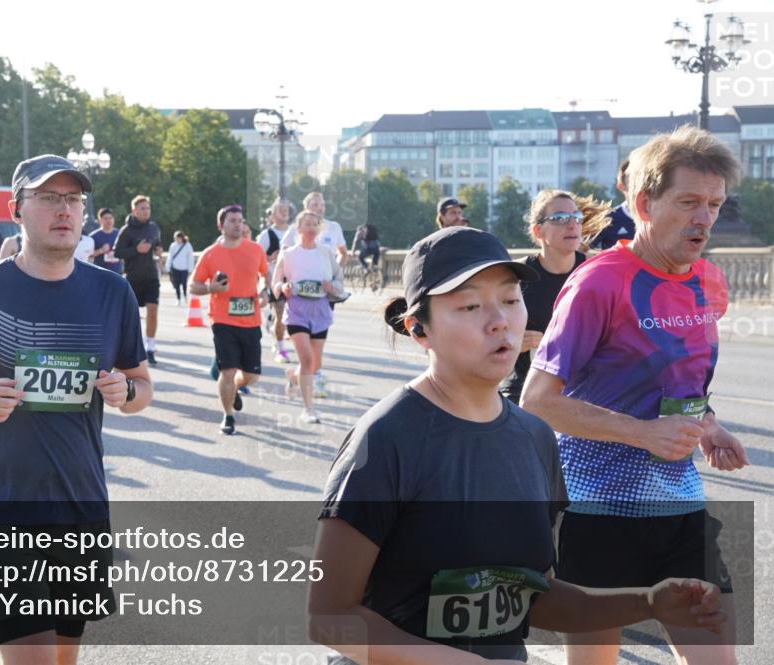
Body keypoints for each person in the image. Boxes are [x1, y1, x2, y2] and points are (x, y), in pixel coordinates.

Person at [308, 226, 729, 664]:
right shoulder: (386, 438)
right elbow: (329, 616)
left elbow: (536, 594)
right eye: (470, 306)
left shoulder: (535, 437)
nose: (500, 321)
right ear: (419, 330)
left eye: (510, 300)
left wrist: (647, 603)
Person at [521, 126, 748, 665]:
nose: (704, 218)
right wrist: (643, 434)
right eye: (689, 201)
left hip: (680, 505)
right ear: (644, 203)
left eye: (714, 204)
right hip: (598, 510)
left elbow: (678, 385)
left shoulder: (708, 283)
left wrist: (708, 425)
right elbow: (537, 400)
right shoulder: (599, 282)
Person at [0, 154, 152, 663]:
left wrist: (123, 392)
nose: (64, 209)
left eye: (73, 199)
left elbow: (141, 387)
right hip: (1, 504)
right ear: (17, 209)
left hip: (80, 501)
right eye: (48, 198)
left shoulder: (111, 292)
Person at [499, 190, 588, 405]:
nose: (572, 224)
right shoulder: (515, 275)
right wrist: (513, 343)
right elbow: (488, 335)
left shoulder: (594, 272)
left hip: (580, 389)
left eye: (576, 217)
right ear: (538, 231)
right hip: (523, 387)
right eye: (559, 218)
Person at [190, 205, 269, 435]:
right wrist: (211, 287)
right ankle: (228, 416)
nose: (238, 224)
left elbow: (265, 275)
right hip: (222, 320)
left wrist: (264, 292)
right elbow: (193, 286)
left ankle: (235, 388)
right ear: (221, 225)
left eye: (240, 220)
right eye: (233, 220)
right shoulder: (210, 254)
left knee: (252, 375)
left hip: (251, 320)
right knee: (227, 371)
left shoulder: (255, 250)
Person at [272, 211, 345, 424]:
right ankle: (308, 408)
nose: (311, 227)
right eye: (307, 224)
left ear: (319, 229)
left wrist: (331, 286)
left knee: (314, 363)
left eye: (315, 224)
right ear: (299, 228)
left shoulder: (326, 253)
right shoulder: (288, 254)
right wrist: (283, 287)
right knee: (306, 359)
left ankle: (295, 377)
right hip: (296, 309)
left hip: (320, 309)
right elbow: (275, 283)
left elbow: (339, 282)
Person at [282, 192, 347, 398]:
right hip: (298, 298)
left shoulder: (333, 227)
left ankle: (299, 375)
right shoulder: (296, 228)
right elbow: (285, 253)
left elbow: (343, 253)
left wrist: (333, 280)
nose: (318, 207)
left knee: (317, 346)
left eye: (321, 204)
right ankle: (313, 379)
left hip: (323, 294)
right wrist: (285, 283)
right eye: (313, 204)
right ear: (305, 206)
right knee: (307, 350)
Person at [113, 195, 163, 366]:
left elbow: (158, 245)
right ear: (134, 210)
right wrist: (136, 249)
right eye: (142, 208)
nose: (146, 211)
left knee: (153, 310)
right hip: (133, 277)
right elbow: (117, 252)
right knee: (131, 316)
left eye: (148, 208)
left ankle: (150, 346)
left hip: (151, 277)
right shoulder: (126, 230)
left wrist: (158, 251)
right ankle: (129, 346)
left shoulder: (154, 228)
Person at [258, 199, 292, 363]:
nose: (284, 212)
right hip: (274, 280)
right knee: (280, 311)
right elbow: (254, 256)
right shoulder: (267, 235)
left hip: (292, 281)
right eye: (279, 210)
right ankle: (281, 350)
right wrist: (268, 258)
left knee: (288, 315)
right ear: (272, 216)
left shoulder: (294, 233)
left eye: (285, 209)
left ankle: (273, 327)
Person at [590, 159, 637, 250]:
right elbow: (584, 250)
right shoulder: (608, 218)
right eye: (633, 184)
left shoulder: (657, 217)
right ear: (621, 187)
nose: (638, 188)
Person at [165, 231, 194, 305]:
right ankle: (178, 299)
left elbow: (190, 257)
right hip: (175, 268)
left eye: (178, 238)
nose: (177, 240)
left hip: (184, 268)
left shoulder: (187, 245)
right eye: (175, 238)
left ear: (181, 238)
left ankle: (185, 296)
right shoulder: (173, 246)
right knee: (176, 284)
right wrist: (167, 266)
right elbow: (170, 257)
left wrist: (190, 268)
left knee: (184, 284)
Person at [90, 208, 122, 273]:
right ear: (100, 220)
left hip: (117, 273)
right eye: (105, 218)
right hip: (100, 273)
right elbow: (88, 255)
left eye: (110, 218)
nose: (108, 220)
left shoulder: (119, 234)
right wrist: (101, 250)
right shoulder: (93, 236)